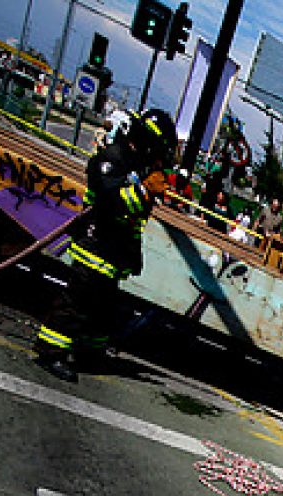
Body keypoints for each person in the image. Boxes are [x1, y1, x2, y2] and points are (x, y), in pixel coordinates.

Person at [35, 108, 177, 382]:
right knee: (77, 303)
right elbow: (113, 202)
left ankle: (89, 353)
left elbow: (135, 214)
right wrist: (144, 191)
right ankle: (50, 352)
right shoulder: (113, 158)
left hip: (113, 254)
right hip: (95, 248)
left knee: (102, 310)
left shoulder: (136, 164)